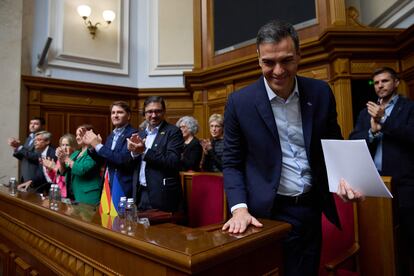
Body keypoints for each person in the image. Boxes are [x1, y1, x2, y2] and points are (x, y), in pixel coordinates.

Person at [221, 20, 362, 276]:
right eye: (268, 62)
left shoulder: (320, 93)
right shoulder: (239, 103)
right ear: (258, 59)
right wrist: (239, 208)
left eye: (286, 60)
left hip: (310, 207)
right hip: (265, 213)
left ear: (299, 55)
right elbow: (231, 161)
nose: (278, 71)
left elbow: (333, 143)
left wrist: (348, 179)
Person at [349, 66, 414, 275]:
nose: (380, 86)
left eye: (384, 81)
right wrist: (371, 131)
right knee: (379, 238)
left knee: (408, 235)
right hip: (374, 183)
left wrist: (384, 121)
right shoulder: (364, 112)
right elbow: (353, 140)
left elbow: (411, 135)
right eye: (376, 82)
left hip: (404, 183)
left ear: (395, 83)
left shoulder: (409, 108)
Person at [127, 96, 184, 212]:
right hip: (140, 192)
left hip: (162, 193)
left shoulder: (173, 131)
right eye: (149, 111)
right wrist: (134, 153)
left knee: (161, 229)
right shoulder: (141, 134)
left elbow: (173, 161)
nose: (153, 115)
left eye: (157, 111)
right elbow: (134, 163)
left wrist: (144, 151)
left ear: (164, 112)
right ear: (144, 113)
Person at [82, 101, 138, 199]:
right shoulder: (111, 135)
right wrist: (92, 147)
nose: (115, 115)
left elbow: (122, 159)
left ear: (128, 116)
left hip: (122, 186)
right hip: (108, 183)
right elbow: (104, 160)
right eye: (113, 113)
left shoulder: (133, 134)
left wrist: (98, 145)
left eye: (120, 112)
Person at [58, 125, 102, 205]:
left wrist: (66, 159)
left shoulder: (94, 153)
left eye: (81, 134)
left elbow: (81, 170)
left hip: (88, 196)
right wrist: (61, 159)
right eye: (76, 135)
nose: (77, 137)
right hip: (74, 195)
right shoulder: (76, 154)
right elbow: (63, 172)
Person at [8, 117, 45, 183]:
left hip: (34, 177)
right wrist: (15, 148)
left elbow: (36, 157)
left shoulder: (43, 139)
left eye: (36, 124)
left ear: (42, 126)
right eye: (31, 123)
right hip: (24, 175)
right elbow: (24, 157)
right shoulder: (29, 138)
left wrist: (19, 147)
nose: (32, 125)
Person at [42, 133, 77, 199]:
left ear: (73, 146)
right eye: (62, 145)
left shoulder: (74, 159)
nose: (64, 148)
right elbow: (56, 179)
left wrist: (54, 167)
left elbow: (67, 179)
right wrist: (49, 170)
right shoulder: (59, 160)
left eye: (67, 145)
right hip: (59, 194)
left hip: (70, 195)